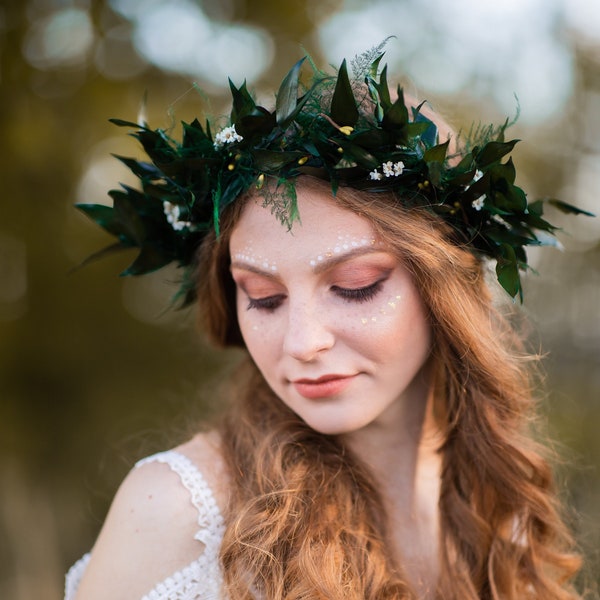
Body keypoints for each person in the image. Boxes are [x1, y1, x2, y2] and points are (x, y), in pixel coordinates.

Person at [66, 45, 590, 599]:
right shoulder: (175, 512)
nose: (302, 343)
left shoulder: (496, 508)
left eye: (355, 286)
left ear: (444, 289)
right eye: (263, 296)